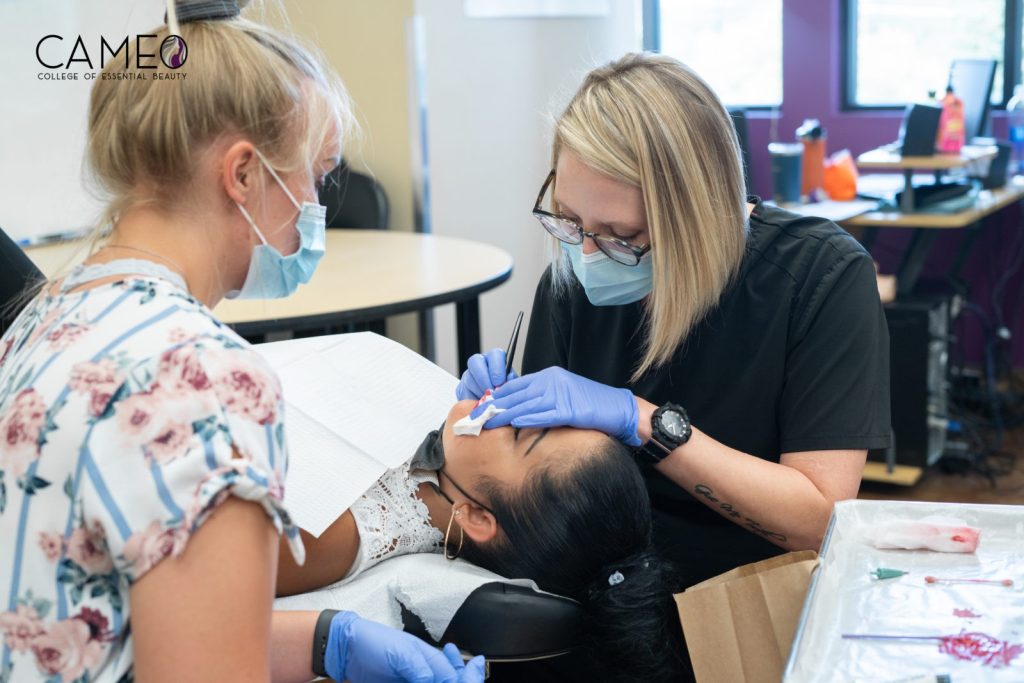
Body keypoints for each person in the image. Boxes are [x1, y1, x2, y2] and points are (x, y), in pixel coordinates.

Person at [0, 2, 481, 681]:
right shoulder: (207, 379)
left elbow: (103, 615)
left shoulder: (44, 318)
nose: (316, 204)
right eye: (316, 174)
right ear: (244, 174)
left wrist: (326, 640)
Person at [456, 52, 890, 586]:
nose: (587, 255)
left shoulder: (820, 278)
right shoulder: (569, 283)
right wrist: (498, 424)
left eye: (623, 237)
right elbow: (548, 491)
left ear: (701, 218)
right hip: (605, 596)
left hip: (749, 597)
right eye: (570, 222)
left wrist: (643, 421)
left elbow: (820, 522)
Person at [276, 399, 689, 683]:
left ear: (475, 517)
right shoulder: (438, 447)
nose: (508, 407)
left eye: (519, 433)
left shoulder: (330, 535)